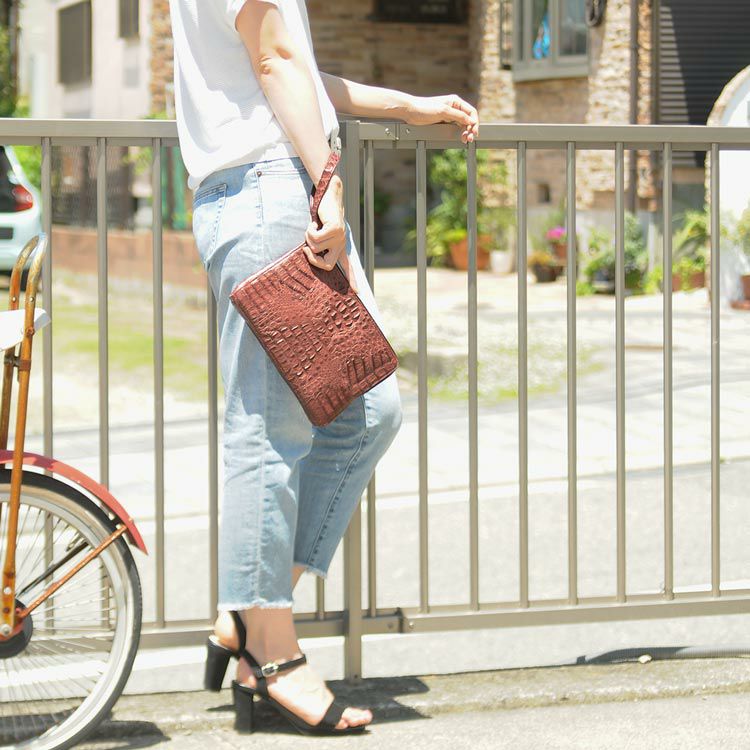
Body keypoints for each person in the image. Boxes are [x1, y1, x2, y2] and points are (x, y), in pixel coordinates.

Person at [168, 0, 480, 735]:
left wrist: (407, 105)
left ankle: (249, 611)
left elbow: (291, 65)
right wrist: (328, 179)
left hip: (275, 188)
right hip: (271, 193)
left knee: (369, 411)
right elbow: (275, 60)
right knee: (267, 434)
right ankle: (272, 655)